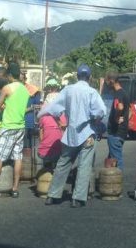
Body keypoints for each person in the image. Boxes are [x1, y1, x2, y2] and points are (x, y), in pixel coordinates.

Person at [45, 64, 106, 208]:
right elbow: (101, 111)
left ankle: (52, 195)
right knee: (84, 166)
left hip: (70, 134)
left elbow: (53, 108)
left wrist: (61, 122)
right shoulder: (92, 92)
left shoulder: (68, 90)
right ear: (89, 77)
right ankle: (77, 198)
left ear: (77, 76)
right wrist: (95, 120)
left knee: (63, 163)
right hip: (87, 133)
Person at [0, 62, 29, 199]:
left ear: (9, 75)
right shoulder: (25, 90)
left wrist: (1, 109)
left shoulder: (7, 88)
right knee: (17, 157)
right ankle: (15, 188)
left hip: (8, 126)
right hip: (20, 127)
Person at [106, 73, 129, 171]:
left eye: (107, 82)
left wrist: (117, 117)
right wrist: (125, 119)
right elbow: (130, 110)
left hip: (116, 133)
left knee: (117, 161)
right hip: (121, 132)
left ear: (111, 81)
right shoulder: (124, 93)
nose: (107, 85)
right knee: (111, 160)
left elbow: (120, 107)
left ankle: (117, 183)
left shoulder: (118, 94)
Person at [37, 102, 67, 168]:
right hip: (59, 151)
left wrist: (42, 142)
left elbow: (41, 133)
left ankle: (47, 171)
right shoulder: (63, 118)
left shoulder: (43, 118)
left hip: (44, 151)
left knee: (47, 165)